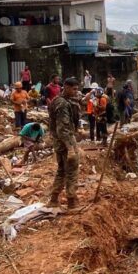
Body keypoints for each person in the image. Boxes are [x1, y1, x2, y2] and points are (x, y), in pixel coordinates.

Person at [48, 77, 81, 208]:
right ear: (66, 87)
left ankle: (54, 199)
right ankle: (71, 200)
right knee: (71, 170)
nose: (76, 92)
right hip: (65, 142)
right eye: (74, 89)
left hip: (57, 142)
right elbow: (62, 129)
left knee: (61, 170)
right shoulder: (63, 104)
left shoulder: (57, 100)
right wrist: (71, 148)